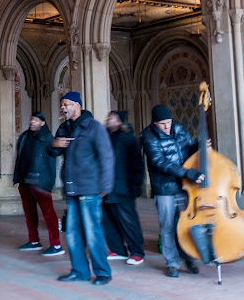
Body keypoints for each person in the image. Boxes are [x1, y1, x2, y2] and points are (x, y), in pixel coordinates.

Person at [48, 92, 114, 286]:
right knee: (73, 233)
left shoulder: (94, 127)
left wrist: (106, 186)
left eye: (66, 104)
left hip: (90, 188)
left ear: (77, 105)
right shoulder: (64, 128)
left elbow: (107, 157)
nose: (62, 108)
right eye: (61, 105)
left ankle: (103, 272)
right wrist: (54, 143)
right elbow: (51, 152)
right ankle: (80, 271)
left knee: (93, 232)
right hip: (72, 189)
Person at [140, 104, 203, 278]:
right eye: (162, 124)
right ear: (154, 123)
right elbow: (159, 162)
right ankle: (172, 263)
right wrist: (186, 172)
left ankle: (189, 257)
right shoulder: (148, 136)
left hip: (185, 186)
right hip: (164, 188)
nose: (167, 127)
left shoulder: (180, 129)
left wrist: (199, 146)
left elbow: (189, 148)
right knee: (167, 226)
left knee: (186, 224)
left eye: (168, 122)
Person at [13, 111, 62, 256]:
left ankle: (56, 245)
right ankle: (34, 241)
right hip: (25, 181)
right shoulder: (25, 137)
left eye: (35, 120)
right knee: (29, 213)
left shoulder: (48, 138)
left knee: (48, 213)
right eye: (31, 119)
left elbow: (53, 157)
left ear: (42, 123)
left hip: (41, 183)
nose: (32, 122)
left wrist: (46, 182)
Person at [103, 111, 146, 265]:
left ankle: (137, 252)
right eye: (109, 117)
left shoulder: (128, 139)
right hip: (106, 188)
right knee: (108, 220)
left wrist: (135, 186)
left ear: (120, 122)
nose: (109, 120)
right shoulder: (105, 137)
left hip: (123, 188)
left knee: (128, 221)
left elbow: (137, 164)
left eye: (113, 118)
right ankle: (118, 249)